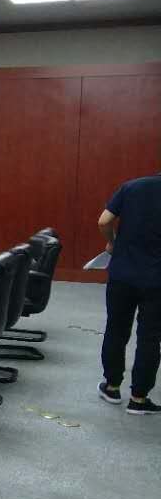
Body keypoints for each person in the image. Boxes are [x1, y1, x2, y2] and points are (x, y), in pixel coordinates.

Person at [97, 170, 161, 415]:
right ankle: (139, 398)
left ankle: (112, 387)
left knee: (116, 328)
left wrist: (112, 242)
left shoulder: (132, 186)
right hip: (156, 280)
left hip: (122, 274)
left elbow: (103, 221)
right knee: (150, 337)